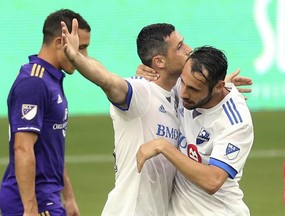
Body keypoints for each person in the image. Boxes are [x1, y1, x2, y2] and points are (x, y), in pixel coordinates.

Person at [61, 19, 252, 215]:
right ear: (159, 61)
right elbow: (108, 81)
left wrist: (218, 91)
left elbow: (212, 180)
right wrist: (77, 58)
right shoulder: (142, 91)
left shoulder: (180, 94)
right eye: (179, 47)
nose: (188, 50)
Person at [136, 46, 254, 215]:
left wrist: (163, 146)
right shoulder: (189, 86)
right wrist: (145, 72)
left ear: (218, 87)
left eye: (194, 89)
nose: (183, 93)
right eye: (183, 82)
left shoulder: (235, 122)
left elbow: (212, 181)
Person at [0, 9, 91, 216]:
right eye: (81, 47)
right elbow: (22, 148)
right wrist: (30, 208)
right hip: (34, 202)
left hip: (48, 198)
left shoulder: (50, 80)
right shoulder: (34, 83)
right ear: (60, 42)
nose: (84, 56)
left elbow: (52, 145)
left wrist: (68, 197)